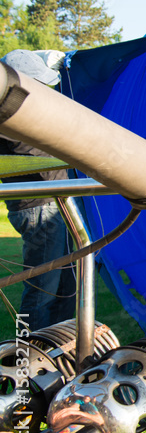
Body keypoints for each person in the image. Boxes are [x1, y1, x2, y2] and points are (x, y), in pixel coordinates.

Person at [0, 49, 76, 331]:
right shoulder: (11, 113)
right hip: (38, 209)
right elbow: (40, 163)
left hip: (55, 204)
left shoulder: (23, 110)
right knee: (41, 291)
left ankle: (58, 352)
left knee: (67, 286)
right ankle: (27, 362)